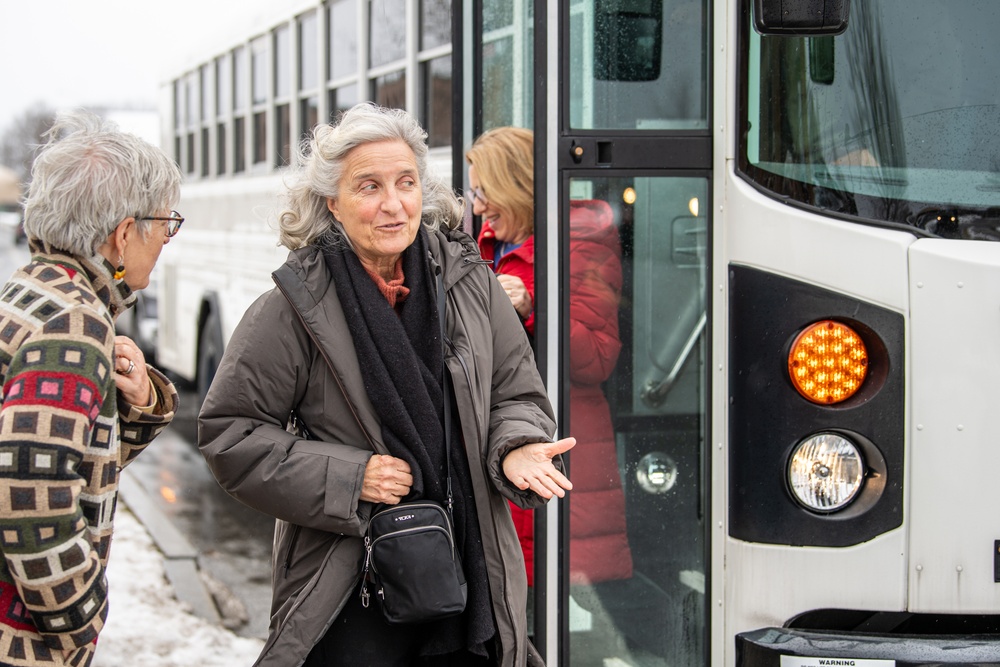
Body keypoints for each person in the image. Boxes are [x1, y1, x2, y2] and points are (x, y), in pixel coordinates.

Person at [197, 103, 575, 667]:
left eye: (405, 182)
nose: (393, 204)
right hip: (350, 588)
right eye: (368, 186)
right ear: (332, 201)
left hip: (466, 573)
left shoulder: (472, 285)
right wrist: (351, 478)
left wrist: (514, 445)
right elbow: (230, 434)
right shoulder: (293, 309)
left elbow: (514, 392)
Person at [0, 111, 181, 666]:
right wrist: (78, 622)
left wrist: (137, 404)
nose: (166, 241)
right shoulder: (72, 326)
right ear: (125, 234)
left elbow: (71, 460)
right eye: (166, 224)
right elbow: (32, 499)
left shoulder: (30, 292)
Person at [465, 128, 633, 594]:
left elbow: (598, 358)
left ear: (516, 186)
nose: (477, 206)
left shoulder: (579, 243)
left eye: (484, 192)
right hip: (502, 438)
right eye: (473, 192)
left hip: (556, 434)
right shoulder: (482, 242)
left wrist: (534, 306)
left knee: (541, 593)